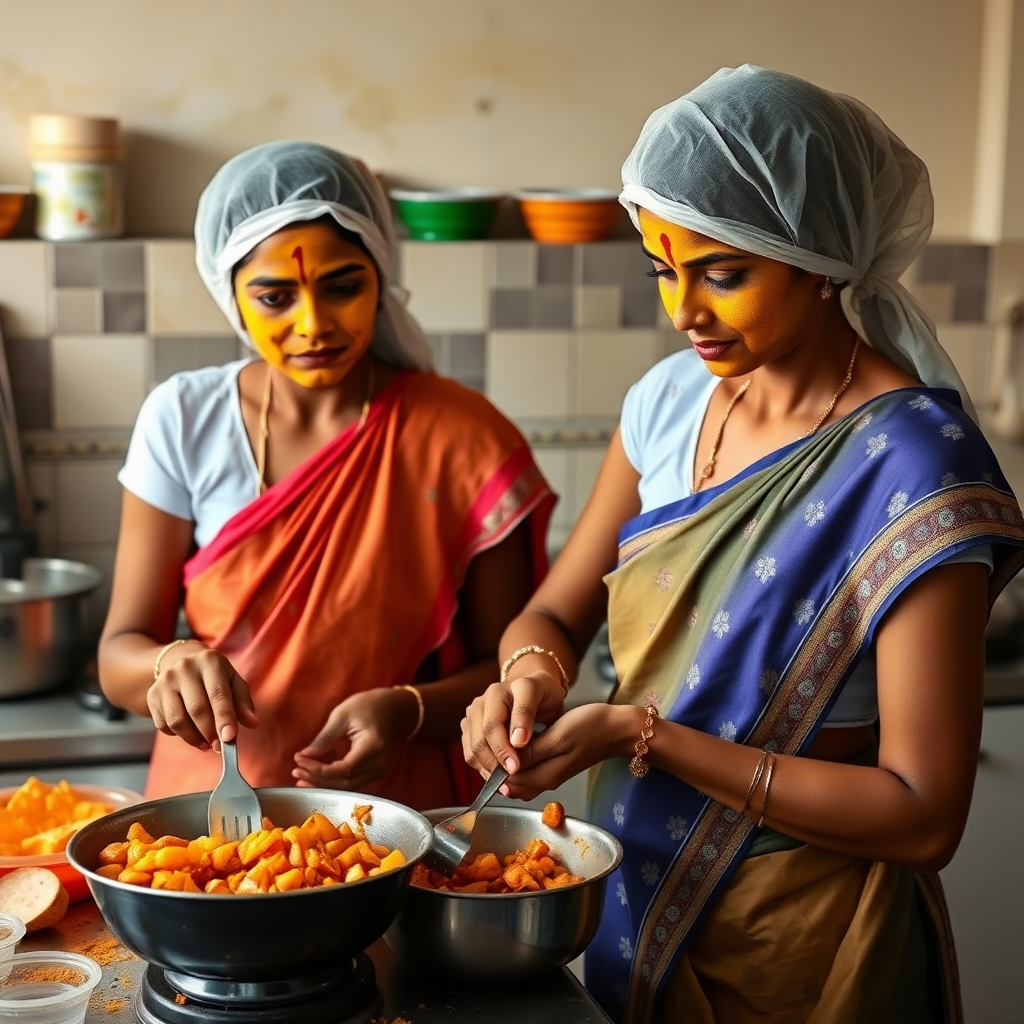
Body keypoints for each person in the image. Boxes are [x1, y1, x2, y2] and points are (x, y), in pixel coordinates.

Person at [461, 65, 1024, 1024]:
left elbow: (925, 815)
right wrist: (527, 674)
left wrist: (642, 735)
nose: (685, 313)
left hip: (811, 934)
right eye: (664, 271)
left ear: (821, 257)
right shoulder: (668, 405)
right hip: (630, 890)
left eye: (724, 273)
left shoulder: (913, 460)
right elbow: (556, 608)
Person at [98, 141, 554, 810]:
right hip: (210, 820)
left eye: (342, 287)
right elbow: (119, 654)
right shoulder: (182, 418)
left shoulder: (464, 434)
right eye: (275, 297)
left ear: (380, 276)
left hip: (398, 823)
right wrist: (169, 664)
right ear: (232, 297)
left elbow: (515, 672)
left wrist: (405, 711)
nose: (313, 325)